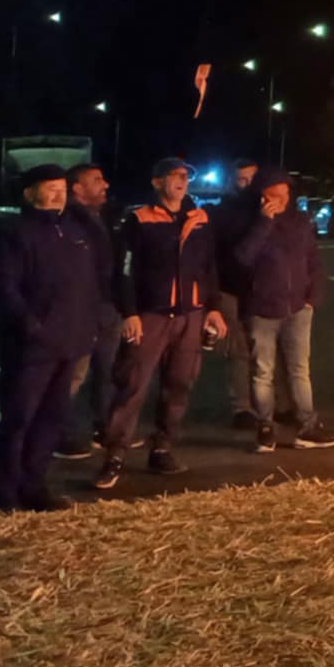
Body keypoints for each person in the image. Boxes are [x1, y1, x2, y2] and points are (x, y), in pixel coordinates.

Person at [96, 158, 229, 489]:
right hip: (150, 315)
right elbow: (123, 270)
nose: (183, 181)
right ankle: (115, 456)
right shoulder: (138, 219)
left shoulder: (200, 219)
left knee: (180, 384)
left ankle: (162, 448)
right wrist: (130, 313)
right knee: (133, 385)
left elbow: (209, 267)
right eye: (175, 175)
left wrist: (213, 307)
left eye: (186, 176)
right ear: (157, 182)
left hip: (191, 315)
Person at [0, 165, 102, 511]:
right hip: (30, 350)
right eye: (50, 188)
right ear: (30, 193)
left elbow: (90, 284)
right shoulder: (16, 233)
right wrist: (32, 327)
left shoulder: (74, 231)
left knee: (50, 420)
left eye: (62, 187)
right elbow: (1, 287)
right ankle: (2, 494)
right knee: (18, 420)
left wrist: (88, 325)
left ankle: (33, 486)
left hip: (70, 343)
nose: (58, 194)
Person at [231, 166, 334, 452]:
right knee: (262, 372)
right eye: (273, 194)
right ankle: (265, 427)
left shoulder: (300, 221)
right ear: (260, 196)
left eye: (284, 193)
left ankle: (307, 425)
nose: (280, 199)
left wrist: (312, 296)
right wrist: (263, 223)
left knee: (299, 369)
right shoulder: (248, 221)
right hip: (260, 309)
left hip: (298, 308)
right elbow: (242, 258)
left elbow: (313, 259)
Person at [56, 162, 122, 459]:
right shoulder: (69, 221)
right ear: (78, 189)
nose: (105, 184)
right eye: (97, 180)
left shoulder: (99, 217)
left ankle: (105, 427)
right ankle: (59, 433)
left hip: (106, 305)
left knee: (107, 371)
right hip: (84, 308)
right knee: (74, 373)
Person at [209, 158, 264, 431]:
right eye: (240, 179)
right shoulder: (222, 213)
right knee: (238, 350)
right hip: (229, 288)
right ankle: (242, 406)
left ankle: (270, 403)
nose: (246, 185)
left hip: (263, 289)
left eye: (251, 179)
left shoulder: (268, 210)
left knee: (265, 349)